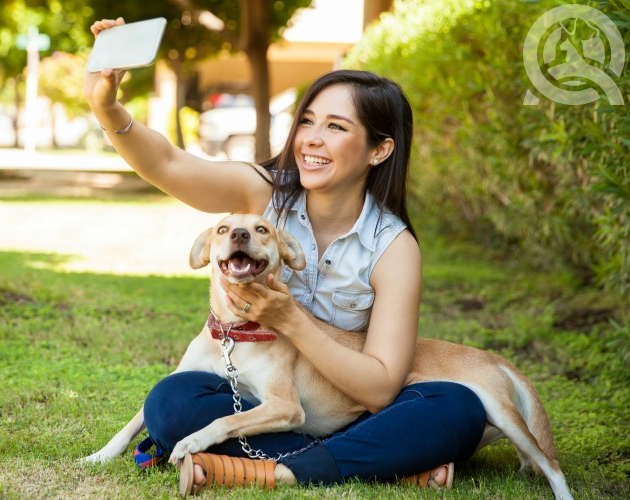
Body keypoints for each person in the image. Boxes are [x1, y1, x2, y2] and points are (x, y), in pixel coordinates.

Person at [84, 17, 487, 495]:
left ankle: (271, 467)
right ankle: (367, 459)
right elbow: (169, 163)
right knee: (172, 403)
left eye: (336, 126)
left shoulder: (393, 248)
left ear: (380, 150)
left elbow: (380, 389)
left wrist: (290, 319)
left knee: (456, 410)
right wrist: (107, 108)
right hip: (265, 397)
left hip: (347, 405)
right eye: (307, 121)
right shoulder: (264, 195)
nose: (311, 139)